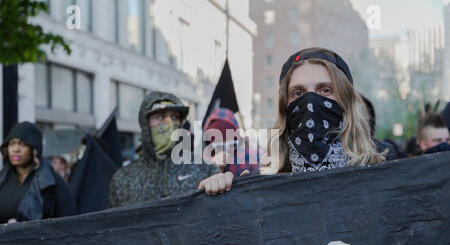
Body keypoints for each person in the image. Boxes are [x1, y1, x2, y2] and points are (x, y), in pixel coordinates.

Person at [199, 47, 385, 195]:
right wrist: (218, 194)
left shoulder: (382, 181)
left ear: (346, 101)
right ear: (284, 107)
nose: (311, 102)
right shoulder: (265, 187)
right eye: (298, 93)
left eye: (325, 90)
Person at [108, 91, 219, 208]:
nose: (168, 123)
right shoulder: (123, 179)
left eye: (174, 117)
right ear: (146, 123)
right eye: (160, 117)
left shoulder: (204, 169)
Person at [0, 122, 78, 224]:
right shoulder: (3, 178)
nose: (16, 149)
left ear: (34, 148)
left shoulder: (52, 183)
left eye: (23, 144)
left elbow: (70, 225)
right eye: (12, 143)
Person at [203, 108, 259, 176]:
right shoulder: (202, 164)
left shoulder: (251, 158)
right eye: (219, 147)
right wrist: (214, 168)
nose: (226, 151)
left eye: (232, 145)